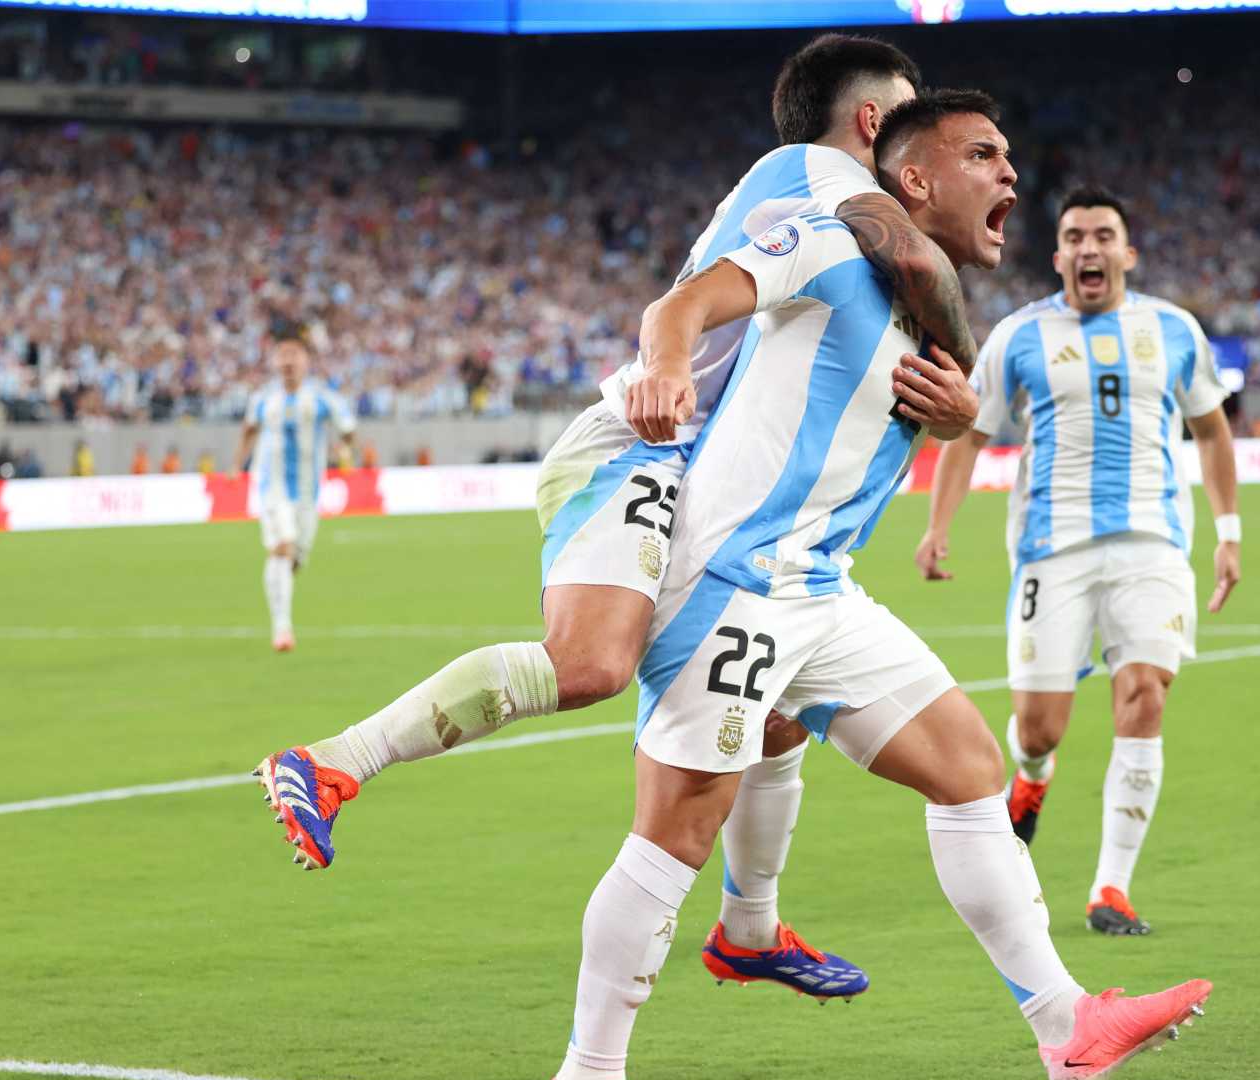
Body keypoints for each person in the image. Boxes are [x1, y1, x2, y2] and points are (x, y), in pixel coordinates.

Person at [538, 92, 1211, 1080]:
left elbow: (939, 414)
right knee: (676, 829)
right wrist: (663, 363)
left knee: (969, 766)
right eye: (982, 155)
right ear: (912, 179)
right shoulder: (819, 241)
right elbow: (685, 305)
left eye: (1010, 158)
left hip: (820, 589)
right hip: (735, 579)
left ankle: (1067, 1027)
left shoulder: (926, 309)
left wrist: (955, 415)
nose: (1009, 178)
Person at [253, 35, 976, 1004]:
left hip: (705, 476)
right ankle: (331, 762)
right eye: (907, 110)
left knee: (778, 697)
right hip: (639, 443)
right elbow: (922, 262)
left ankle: (750, 931)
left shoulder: (815, 198)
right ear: (873, 121)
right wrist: (960, 371)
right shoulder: (822, 175)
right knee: (591, 663)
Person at [914, 186, 1242, 938]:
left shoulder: (1173, 330)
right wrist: (939, 527)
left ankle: (1111, 889)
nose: (1089, 249)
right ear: (1058, 255)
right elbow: (970, 434)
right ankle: (1031, 781)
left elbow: (1213, 432)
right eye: (1074, 238)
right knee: (1038, 730)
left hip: (1152, 543)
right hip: (1049, 551)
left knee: (1145, 695)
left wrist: (1229, 530)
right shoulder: (1018, 337)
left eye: (1103, 236)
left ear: (1127, 252)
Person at [232, 328, 357, 653]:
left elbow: (348, 428)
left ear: (306, 360)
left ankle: (281, 601)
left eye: (294, 354)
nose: (288, 361)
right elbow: (248, 430)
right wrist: (237, 466)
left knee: (295, 558)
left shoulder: (321, 397)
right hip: (271, 489)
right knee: (282, 548)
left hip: (307, 493)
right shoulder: (262, 398)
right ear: (274, 360)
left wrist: (345, 448)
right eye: (282, 354)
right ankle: (282, 628)